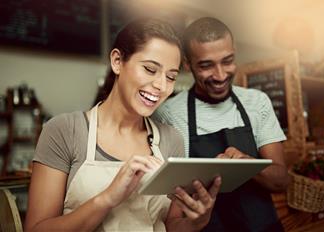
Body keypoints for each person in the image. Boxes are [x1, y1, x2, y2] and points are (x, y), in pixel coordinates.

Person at [25, 18, 222, 232]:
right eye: (149, 69)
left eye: (171, 76)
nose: (161, 86)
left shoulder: (171, 140)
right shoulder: (64, 131)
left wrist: (195, 222)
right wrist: (108, 198)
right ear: (117, 61)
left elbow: (171, 225)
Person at [153, 17, 289, 232]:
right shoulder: (168, 114)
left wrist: (247, 164)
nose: (220, 75)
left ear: (234, 52)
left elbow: (281, 181)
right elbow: (171, 205)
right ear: (187, 64)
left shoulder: (257, 102)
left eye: (227, 61)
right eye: (206, 65)